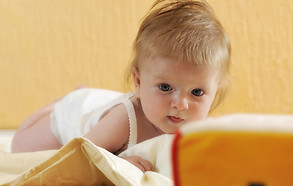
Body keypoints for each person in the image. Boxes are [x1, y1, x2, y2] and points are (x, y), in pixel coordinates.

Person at [11, 0, 231, 172]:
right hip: (74, 115)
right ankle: (59, 103)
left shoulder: (202, 127)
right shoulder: (124, 121)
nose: (181, 104)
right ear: (138, 81)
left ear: (215, 91)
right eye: (165, 87)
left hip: (103, 104)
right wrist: (118, 162)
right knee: (20, 150)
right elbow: (81, 154)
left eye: (197, 92)